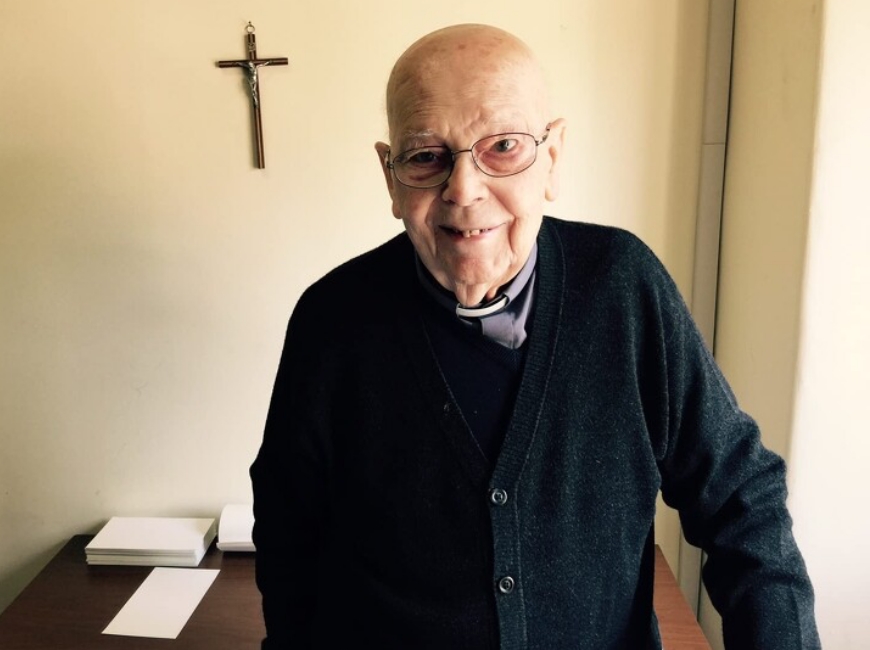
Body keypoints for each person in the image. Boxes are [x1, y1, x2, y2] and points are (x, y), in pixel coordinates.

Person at [250, 23, 820, 650]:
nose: (463, 190)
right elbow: (288, 537)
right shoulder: (331, 322)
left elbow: (742, 500)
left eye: (502, 146)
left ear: (551, 157)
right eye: (426, 156)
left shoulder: (625, 289)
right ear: (391, 177)